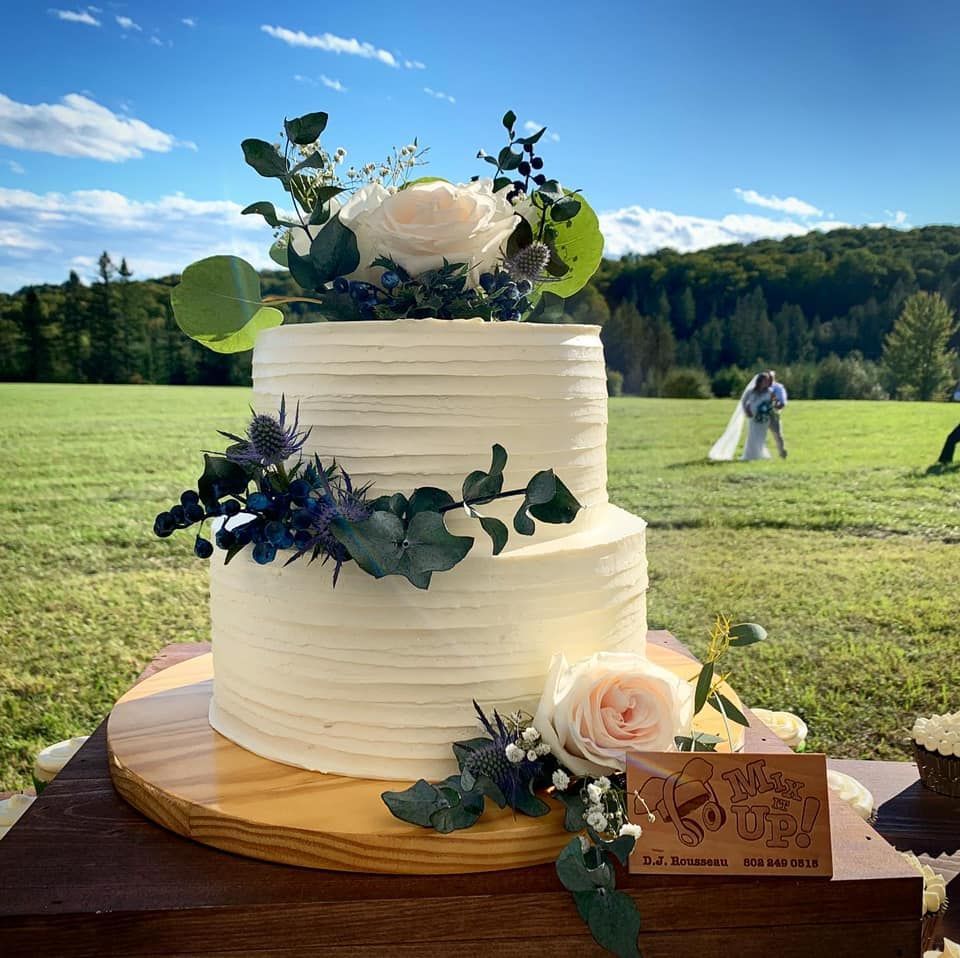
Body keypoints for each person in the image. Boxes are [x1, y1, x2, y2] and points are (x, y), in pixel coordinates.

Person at [708, 372, 774, 461]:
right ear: (759, 381)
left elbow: (772, 403)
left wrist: (769, 411)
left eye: (767, 381)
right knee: (753, 435)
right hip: (752, 416)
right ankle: (751, 454)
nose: (766, 383)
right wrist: (746, 410)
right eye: (764, 381)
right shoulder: (751, 391)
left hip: (764, 418)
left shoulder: (769, 392)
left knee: (762, 436)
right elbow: (744, 401)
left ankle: (760, 452)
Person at [767, 370, 788, 459]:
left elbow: (782, 402)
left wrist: (775, 407)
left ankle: (782, 452)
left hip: (773, 414)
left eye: (771, 377)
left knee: (777, 434)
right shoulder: (760, 387)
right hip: (760, 415)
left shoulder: (778, 387)